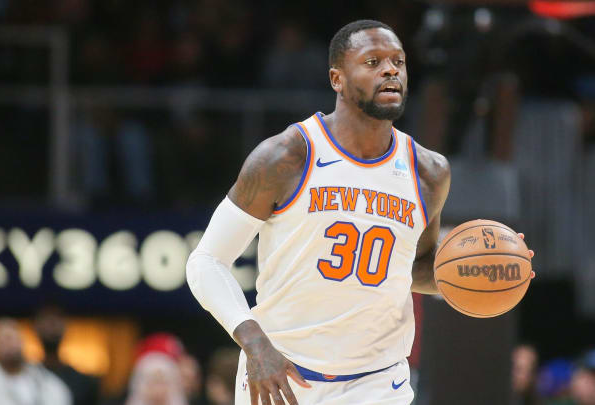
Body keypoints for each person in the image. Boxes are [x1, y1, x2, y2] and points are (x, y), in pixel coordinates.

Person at [186, 19, 534, 405]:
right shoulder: (287, 155)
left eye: (398, 62)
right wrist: (253, 342)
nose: (390, 70)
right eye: (372, 62)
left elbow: (415, 266)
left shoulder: (429, 172)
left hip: (377, 382)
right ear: (337, 78)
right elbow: (206, 260)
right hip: (280, 371)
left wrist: (489, 267)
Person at [0, 318, 72, 405]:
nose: (8, 345)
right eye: (1, 341)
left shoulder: (43, 380)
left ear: (22, 341)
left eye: (11, 338)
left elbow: (60, 396)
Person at [34, 305, 100, 405]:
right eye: (46, 319)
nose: (52, 324)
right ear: (36, 327)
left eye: (57, 318)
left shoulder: (83, 383)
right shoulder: (27, 377)